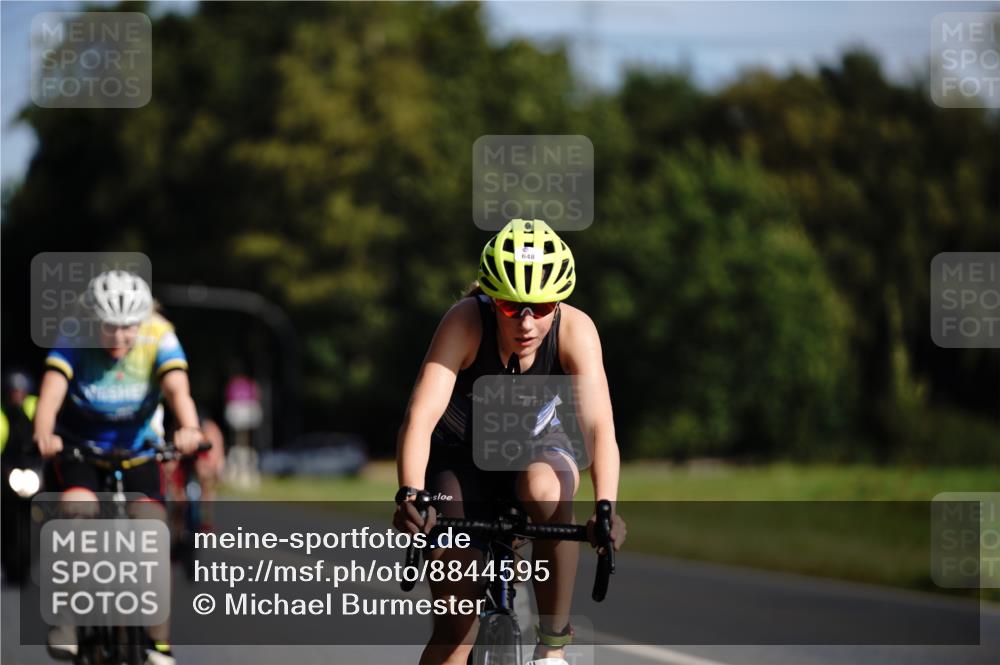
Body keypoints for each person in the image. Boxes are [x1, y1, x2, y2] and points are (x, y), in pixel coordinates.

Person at [394, 219, 627, 665]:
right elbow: (420, 418)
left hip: (538, 449)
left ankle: (553, 644)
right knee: (456, 626)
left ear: (558, 302)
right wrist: (411, 493)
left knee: (545, 488)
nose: (525, 322)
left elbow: (600, 428)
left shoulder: (576, 330)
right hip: (459, 458)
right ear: (490, 297)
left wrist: (606, 508)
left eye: (540, 307)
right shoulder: (465, 321)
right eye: (510, 306)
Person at [33, 270, 202, 665]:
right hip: (79, 447)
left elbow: (178, 388)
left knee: (152, 532)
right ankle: (68, 618)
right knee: (77, 512)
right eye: (109, 327)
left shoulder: (159, 333)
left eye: (128, 327)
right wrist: (44, 433)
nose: (119, 337)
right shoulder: (74, 334)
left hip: (137, 447)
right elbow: (51, 391)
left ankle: (159, 644)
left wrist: (189, 429)